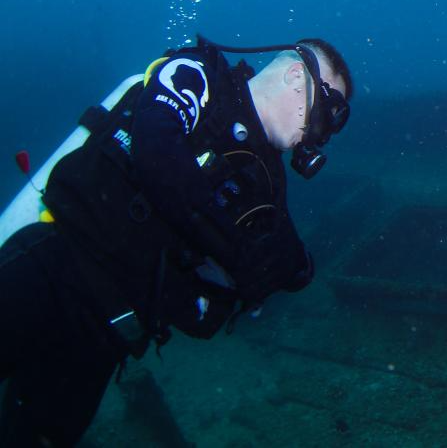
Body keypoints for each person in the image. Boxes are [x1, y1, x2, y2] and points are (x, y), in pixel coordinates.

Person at [0, 35, 353, 447]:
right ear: (297, 75)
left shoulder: (266, 184)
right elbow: (157, 153)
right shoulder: (199, 78)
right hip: (52, 272)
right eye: (331, 113)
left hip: (105, 340)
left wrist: (286, 268)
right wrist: (238, 252)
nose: (325, 133)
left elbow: (288, 267)